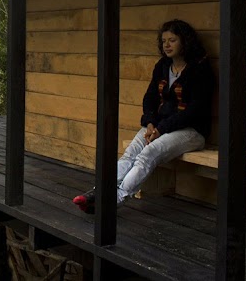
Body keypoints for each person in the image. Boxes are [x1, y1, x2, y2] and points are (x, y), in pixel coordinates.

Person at [72, 19, 214, 214]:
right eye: (163, 40)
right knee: (130, 153)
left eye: (172, 40)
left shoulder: (200, 69)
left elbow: (194, 110)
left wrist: (160, 129)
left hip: (191, 131)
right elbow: (150, 97)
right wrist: (149, 122)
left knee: (148, 154)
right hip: (159, 126)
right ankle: (98, 192)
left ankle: (114, 199)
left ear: (185, 41)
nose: (166, 45)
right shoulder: (163, 66)